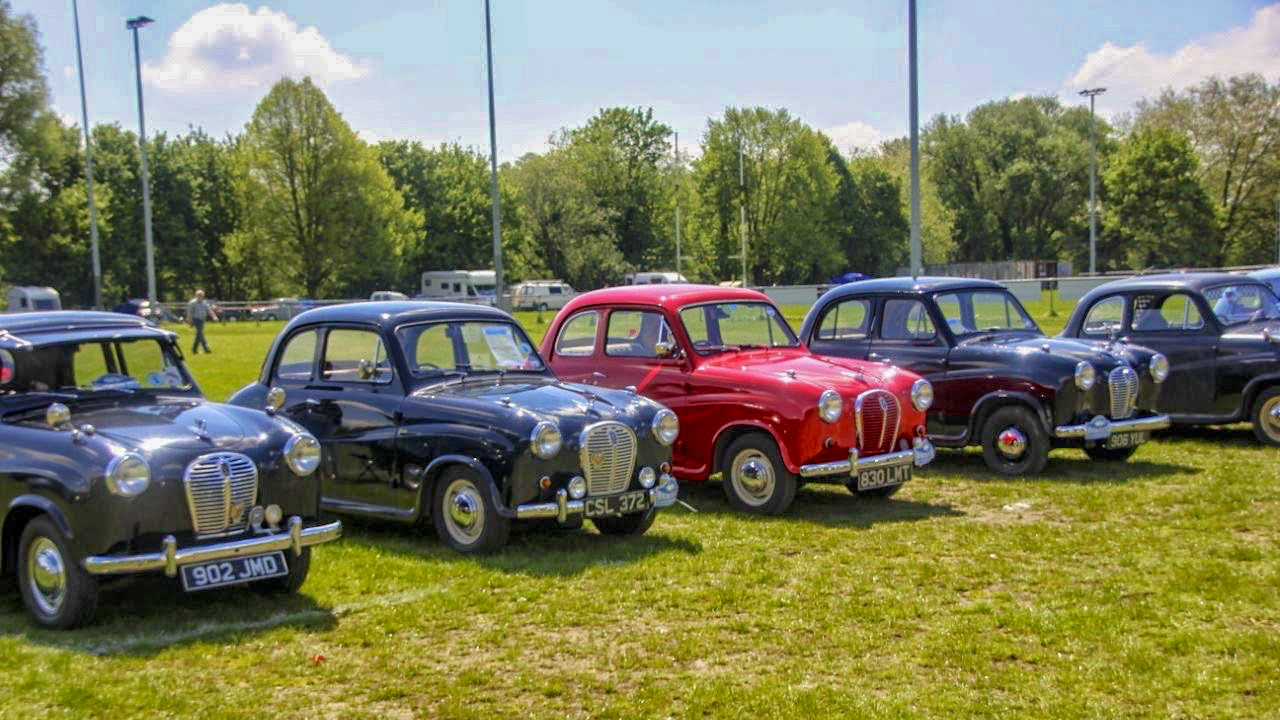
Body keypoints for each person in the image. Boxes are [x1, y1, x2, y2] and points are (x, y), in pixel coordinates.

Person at [187, 289, 218, 354]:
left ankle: (194, 349)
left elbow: (209, 310)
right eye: (199, 295)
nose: (200, 296)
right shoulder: (192, 303)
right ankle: (206, 348)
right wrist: (189, 320)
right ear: (196, 295)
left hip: (202, 320)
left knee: (199, 334)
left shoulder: (205, 303)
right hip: (196, 320)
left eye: (201, 295)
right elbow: (189, 312)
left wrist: (214, 317)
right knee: (200, 333)